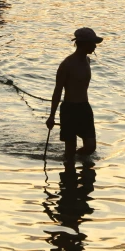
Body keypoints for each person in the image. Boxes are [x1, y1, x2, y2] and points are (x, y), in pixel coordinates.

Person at [46, 27, 104, 161]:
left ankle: (77, 161)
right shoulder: (66, 64)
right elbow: (57, 91)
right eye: (92, 43)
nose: (95, 46)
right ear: (83, 44)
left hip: (85, 108)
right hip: (69, 109)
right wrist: (52, 116)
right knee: (70, 148)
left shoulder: (87, 61)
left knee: (91, 146)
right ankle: (70, 169)